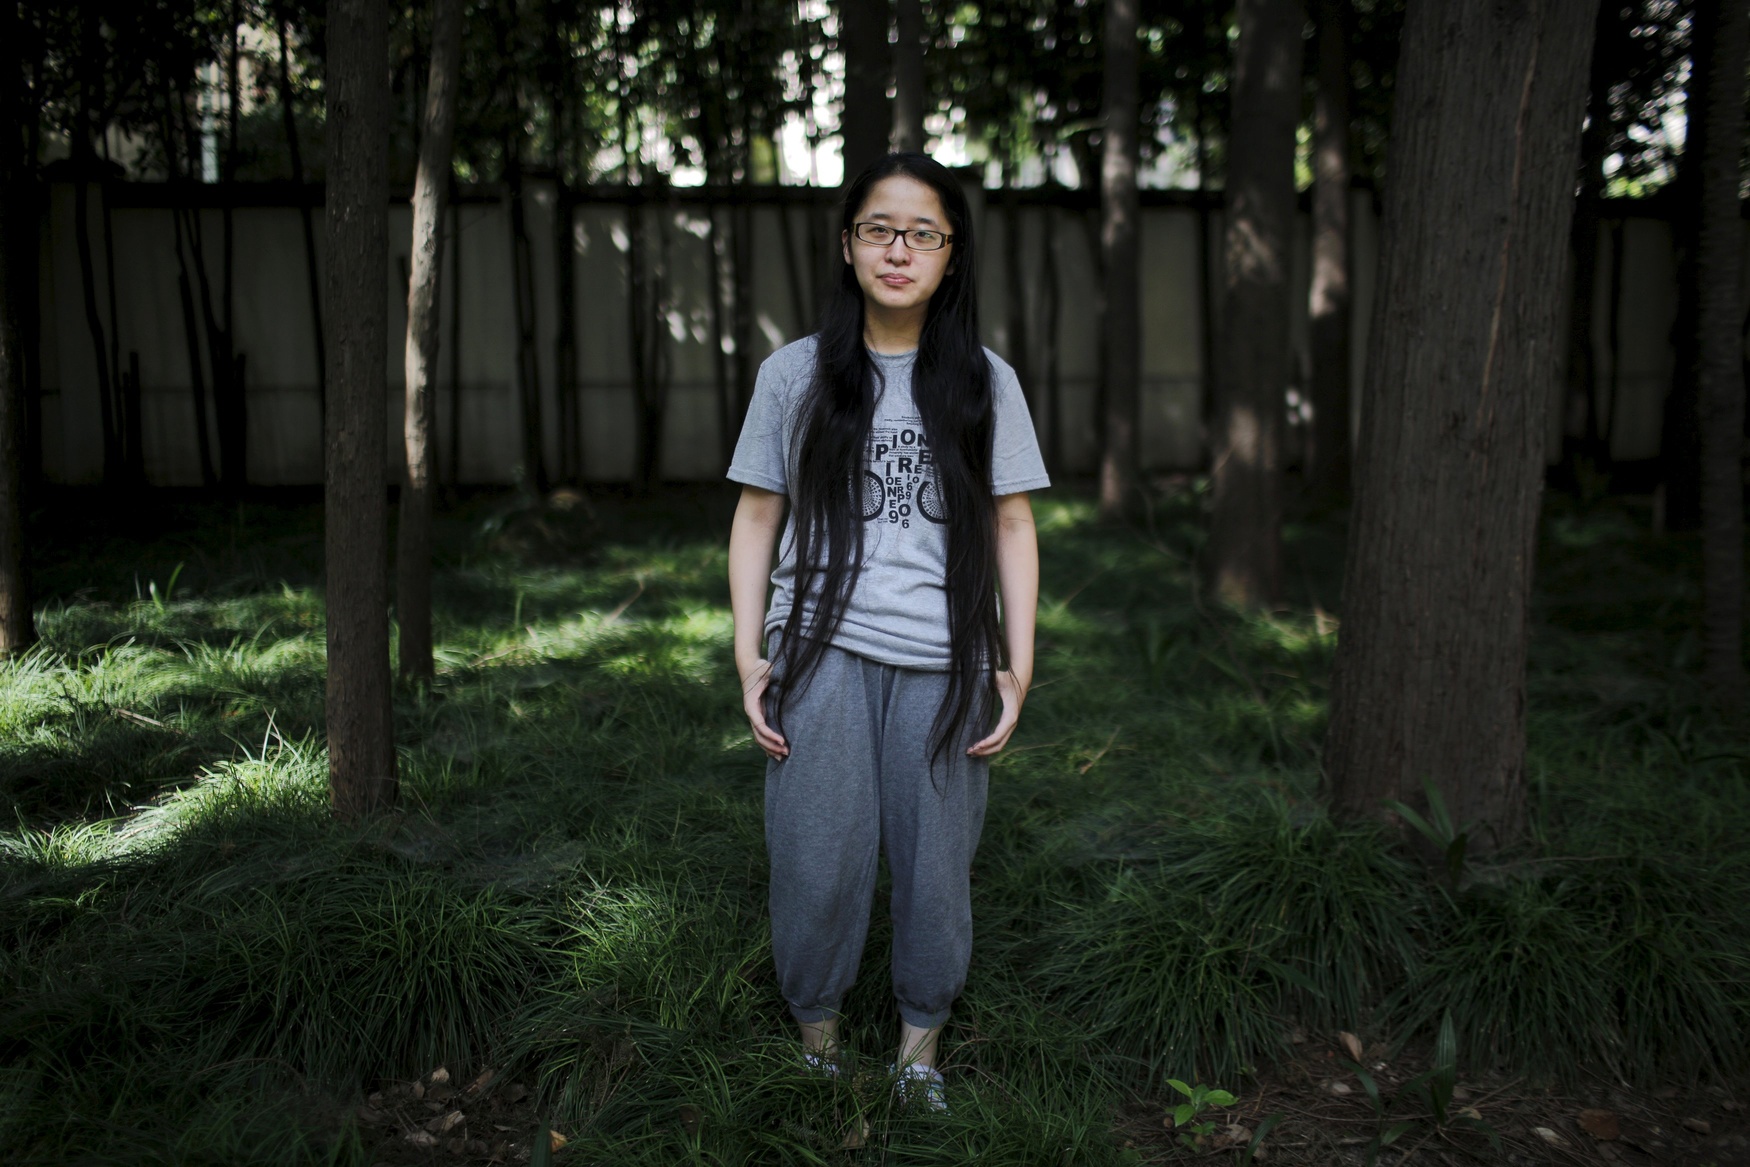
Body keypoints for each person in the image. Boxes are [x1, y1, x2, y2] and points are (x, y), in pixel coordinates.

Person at [725, 152, 1048, 1111]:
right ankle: (818, 1037)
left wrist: (1016, 664)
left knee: (936, 866)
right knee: (818, 854)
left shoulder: (986, 382)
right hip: (819, 649)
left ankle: (918, 1052)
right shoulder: (794, 376)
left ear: (951, 255)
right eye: (878, 228)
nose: (898, 249)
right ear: (848, 244)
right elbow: (754, 517)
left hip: (946, 659)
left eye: (923, 233)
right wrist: (752, 655)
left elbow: (1013, 524)